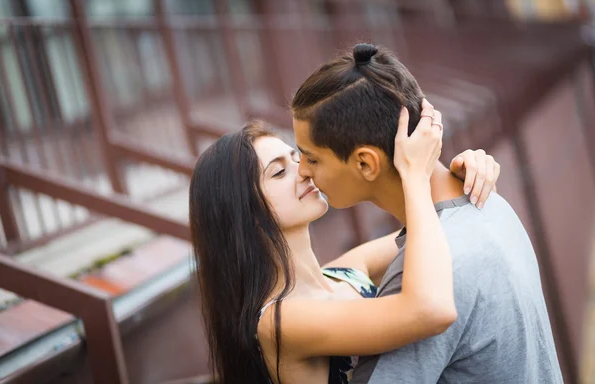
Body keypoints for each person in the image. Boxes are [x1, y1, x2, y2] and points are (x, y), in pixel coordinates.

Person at [290, 43, 563, 384]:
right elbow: (377, 254)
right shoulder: (486, 202)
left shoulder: (421, 277)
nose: (301, 171)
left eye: (311, 158)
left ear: (365, 162)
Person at [189, 104, 500, 383]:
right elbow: (431, 311)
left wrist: (463, 176)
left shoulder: (346, 271)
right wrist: (414, 177)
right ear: (246, 215)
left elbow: (437, 227)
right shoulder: (279, 323)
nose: (305, 171)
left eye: (300, 158)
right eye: (280, 172)